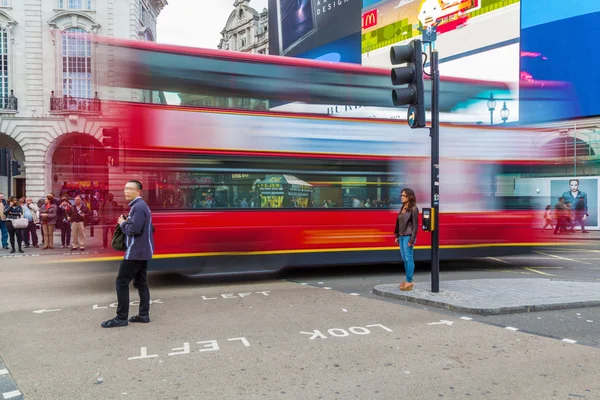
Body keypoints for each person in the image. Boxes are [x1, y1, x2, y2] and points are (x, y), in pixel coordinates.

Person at [101, 180, 154, 328]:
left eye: (130, 189)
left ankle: (121, 317)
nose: (126, 191)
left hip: (135, 251)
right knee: (141, 283)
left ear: (139, 192)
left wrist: (123, 223)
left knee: (121, 282)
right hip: (143, 250)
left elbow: (134, 230)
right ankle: (144, 315)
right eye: (125, 188)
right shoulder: (141, 206)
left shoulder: (138, 207)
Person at [394, 188, 419, 291]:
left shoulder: (414, 209)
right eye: (401, 195)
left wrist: (412, 240)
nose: (402, 197)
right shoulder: (402, 207)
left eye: (404, 195)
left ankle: (409, 281)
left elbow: (415, 226)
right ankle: (407, 280)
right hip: (401, 236)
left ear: (409, 197)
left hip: (408, 236)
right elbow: (399, 223)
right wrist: (397, 236)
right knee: (404, 258)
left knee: (409, 258)